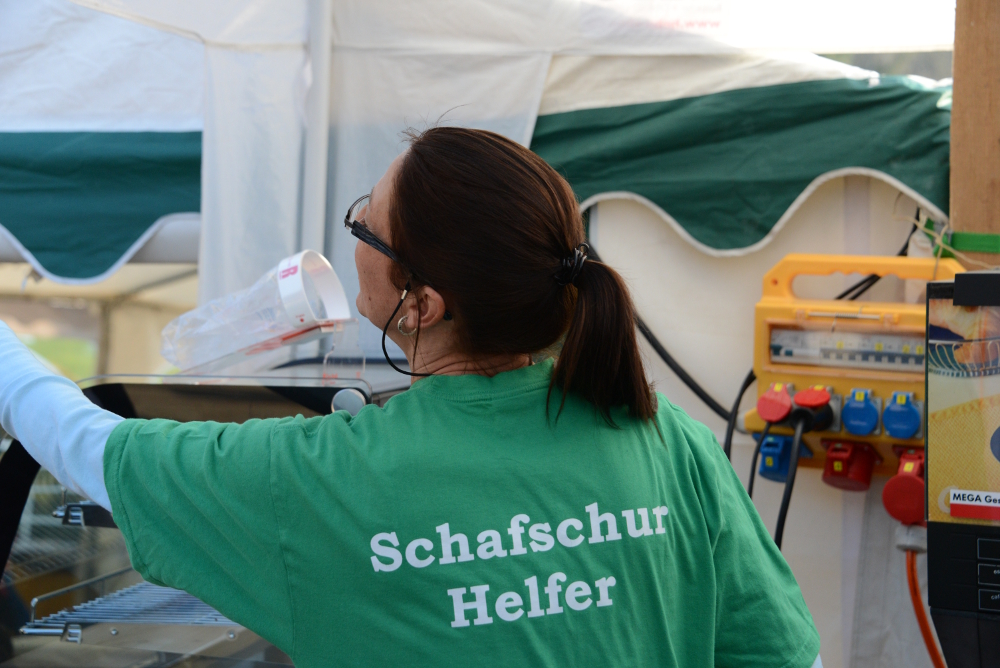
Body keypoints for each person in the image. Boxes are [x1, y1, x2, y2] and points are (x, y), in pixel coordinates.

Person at [0, 127, 822, 667]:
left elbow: (85, 444)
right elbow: (786, 656)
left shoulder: (323, 476)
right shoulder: (667, 437)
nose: (354, 236)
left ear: (421, 303)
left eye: (366, 227)